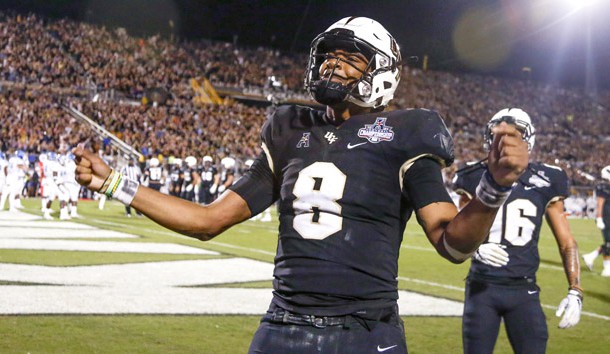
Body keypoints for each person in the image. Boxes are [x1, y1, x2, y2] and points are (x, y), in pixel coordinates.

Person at [73, 17, 529, 354]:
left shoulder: (406, 133)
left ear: (383, 73)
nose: (334, 66)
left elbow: (451, 244)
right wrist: (113, 182)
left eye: (351, 59)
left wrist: (494, 187)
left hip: (365, 331)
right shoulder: (290, 130)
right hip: (281, 326)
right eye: (329, 56)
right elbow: (208, 221)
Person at [453, 108, 582, 354]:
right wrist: (475, 247)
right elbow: (457, 233)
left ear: (528, 139)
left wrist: (575, 289)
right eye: (499, 133)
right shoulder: (471, 175)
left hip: (524, 290)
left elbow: (567, 242)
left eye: (514, 134)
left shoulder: (547, 178)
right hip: (482, 288)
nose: (504, 140)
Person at [582, 165, 610, 276]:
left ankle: (591, 256)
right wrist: (599, 218)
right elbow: (600, 204)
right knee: (608, 243)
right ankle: (607, 268)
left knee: (609, 243)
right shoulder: (603, 187)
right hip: (606, 218)